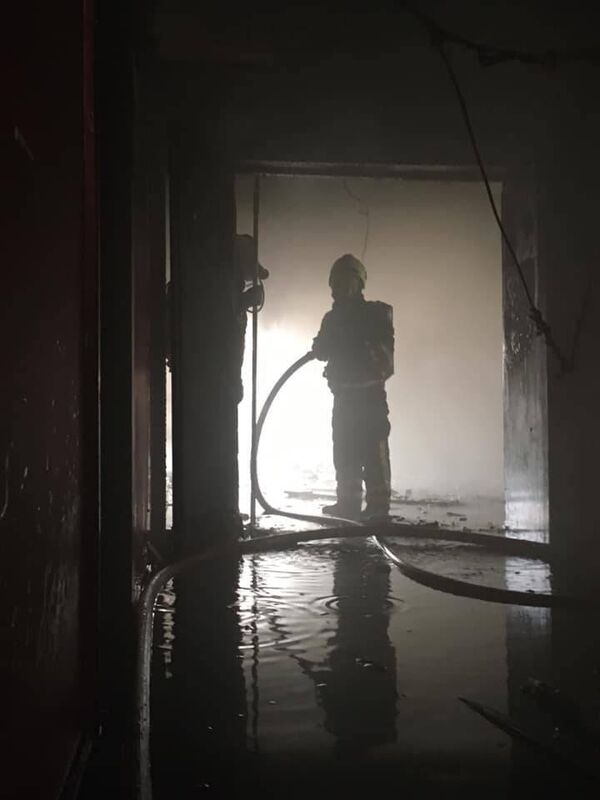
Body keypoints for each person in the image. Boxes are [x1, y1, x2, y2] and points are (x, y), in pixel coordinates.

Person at [311, 254, 394, 521]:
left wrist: (354, 333)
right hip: (344, 397)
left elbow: (385, 360)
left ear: (359, 284)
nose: (340, 288)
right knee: (344, 450)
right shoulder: (332, 319)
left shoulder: (376, 314)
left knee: (373, 449)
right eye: (337, 282)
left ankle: (378, 508)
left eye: (346, 281)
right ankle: (347, 504)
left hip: (369, 397)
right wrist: (324, 343)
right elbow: (321, 350)